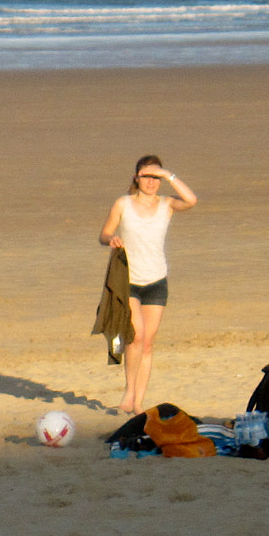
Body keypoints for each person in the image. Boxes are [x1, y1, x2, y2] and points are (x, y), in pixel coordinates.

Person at [99, 155, 197, 415]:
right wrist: (111, 239)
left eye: (156, 177)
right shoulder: (123, 203)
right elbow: (104, 233)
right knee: (136, 336)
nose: (151, 182)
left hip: (157, 279)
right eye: (146, 176)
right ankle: (129, 391)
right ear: (136, 178)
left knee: (149, 342)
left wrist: (168, 175)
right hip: (128, 280)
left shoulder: (167, 204)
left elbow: (191, 200)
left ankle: (138, 402)